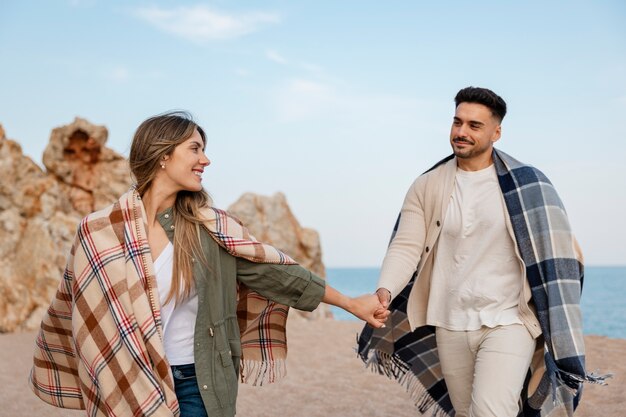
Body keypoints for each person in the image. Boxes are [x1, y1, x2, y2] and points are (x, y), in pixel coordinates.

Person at [30, 111, 389, 417]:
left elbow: (278, 275)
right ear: (163, 156)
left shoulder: (210, 229)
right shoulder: (98, 232)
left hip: (198, 383)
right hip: (128, 381)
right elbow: (75, 314)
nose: (206, 160)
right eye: (195, 149)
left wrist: (350, 303)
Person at [359, 87, 607, 417]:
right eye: (457, 122)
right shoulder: (427, 185)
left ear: (496, 132)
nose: (461, 132)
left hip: (509, 320)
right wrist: (385, 289)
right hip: (449, 321)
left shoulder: (529, 184)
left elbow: (560, 251)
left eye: (474, 125)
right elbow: (406, 246)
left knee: (491, 412)